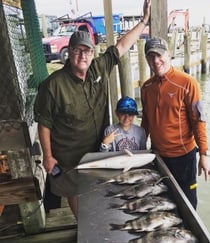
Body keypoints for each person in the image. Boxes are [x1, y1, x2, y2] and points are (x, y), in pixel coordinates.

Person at [34, 0, 151, 219]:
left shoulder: (99, 66)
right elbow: (44, 124)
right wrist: (48, 157)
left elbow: (122, 46)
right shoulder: (53, 85)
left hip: (99, 146)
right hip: (69, 154)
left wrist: (144, 21)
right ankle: (82, 224)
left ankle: (102, 218)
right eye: (77, 51)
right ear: (69, 52)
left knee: (100, 185)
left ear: (92, 52)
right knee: (74, 191)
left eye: (87, 51)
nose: (83, 56)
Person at [141, 37, 210, 209]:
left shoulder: (188, 83)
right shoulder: (146, 88)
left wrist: (204, 154)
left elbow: (199, 120)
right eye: (151, 57)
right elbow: (146, 121)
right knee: (162, 202)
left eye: (159, 55)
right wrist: (140, 149)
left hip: (183, 157)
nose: (156, 61)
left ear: (169, 54)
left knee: (187, 204)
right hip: (158, 156)